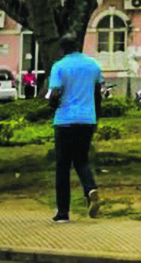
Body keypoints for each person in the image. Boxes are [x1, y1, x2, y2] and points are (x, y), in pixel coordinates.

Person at [47, 34, 103, 224]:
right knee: (81, 160)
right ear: (78, 46)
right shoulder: (93, 66)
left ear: (62, 49)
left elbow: (55, 93)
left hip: (64, 120)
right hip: (87, 119)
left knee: (62, 166)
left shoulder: (59, 66)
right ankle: (90, 188)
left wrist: (51, 106)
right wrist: (96, 118)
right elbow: (97, 95)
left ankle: (63, 213)